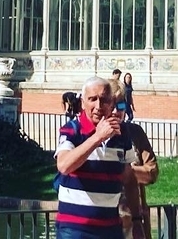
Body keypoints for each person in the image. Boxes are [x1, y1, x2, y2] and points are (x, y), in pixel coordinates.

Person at [55, 76, 145, 239]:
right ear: (83, 103)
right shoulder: (72, 131)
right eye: (92, 99)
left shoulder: (122, 134)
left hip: (110, 229)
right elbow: (64, 166)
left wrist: (137, 220)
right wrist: (97, 137)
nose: (98, 106)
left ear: (111, 103)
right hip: (75, 229)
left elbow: (129, 179)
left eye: (104, 100)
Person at [109, 78, 157, 239]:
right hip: (104, 219)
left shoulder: (135, 133)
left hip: (133, 218)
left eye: (121, 105)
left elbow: (151, 172)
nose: (117, 111)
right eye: (112, 105)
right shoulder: (92, 137)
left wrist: (124, 170)